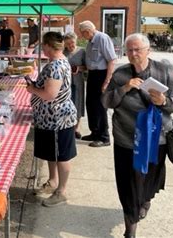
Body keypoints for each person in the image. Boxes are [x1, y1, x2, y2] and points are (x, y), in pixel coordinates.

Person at [102, 33, 173, 238]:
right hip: (126, 138)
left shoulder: (163, 70)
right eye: (129, 50)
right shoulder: (121, 73)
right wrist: (124, 88)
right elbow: (106, 101)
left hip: (156, 139)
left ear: (148, 50)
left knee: (149, 181)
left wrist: (164, 102)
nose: (133, 53)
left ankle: (145, 199)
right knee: (128, 185)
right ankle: (130, 229)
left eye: (138, 49)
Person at [26, 32, 77, 207]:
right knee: (52, 153)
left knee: (62, 156)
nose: (43, 48)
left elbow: (50, 94)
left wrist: (32, 90)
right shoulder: (61, 61)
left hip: (56, 118)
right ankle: (53, 182)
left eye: (43, 45)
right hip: (51, 118)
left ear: (48, 46)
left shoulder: (55, 66)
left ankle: (61, 191)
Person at [78, 20, 117, 147]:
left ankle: (104, 137)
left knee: (100, 107)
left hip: (102, 75)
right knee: (90, 104)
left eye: (82, 34)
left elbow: (111, 60)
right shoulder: (90, 41)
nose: (82, 36)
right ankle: (95, 132)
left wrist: (107, 81)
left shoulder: (102, 38)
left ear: (87, 31)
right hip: (92, 75)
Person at [63, 32, 86, 139]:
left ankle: (76, 128)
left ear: (75, 41)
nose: (70, 45)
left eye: (72, 43)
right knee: (67, 102)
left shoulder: (82, 51)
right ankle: (68, 126)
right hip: (65, 82)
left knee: (78, 102)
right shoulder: (63, 52)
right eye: (67, 44)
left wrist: (78, 68)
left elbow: (87, 67)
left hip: (78, 80)